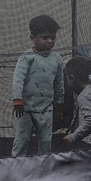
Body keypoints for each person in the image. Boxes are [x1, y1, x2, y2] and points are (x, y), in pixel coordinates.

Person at [12, 15, 65, 157]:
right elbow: (18, 79)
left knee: (45, 142)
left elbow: (59, 82)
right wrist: (17, 99)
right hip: (25, 109)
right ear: (33, 38)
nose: (50, 41)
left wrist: (59, 103)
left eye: (53, 37)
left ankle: (44, 170)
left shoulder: (57, 59)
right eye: (45, 37)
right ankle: (16, 168)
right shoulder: (26, 57)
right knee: (22, 140)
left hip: (46, 109)